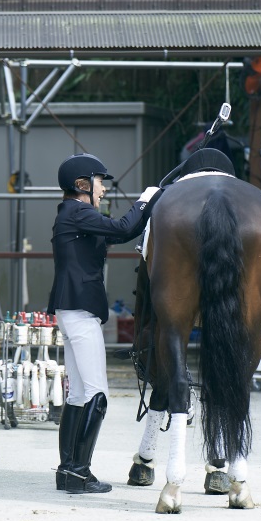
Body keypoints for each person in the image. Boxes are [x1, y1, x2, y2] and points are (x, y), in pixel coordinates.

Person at [48, 153, 160, 494]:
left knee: (79, 394)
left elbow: (123, 231)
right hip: (80, 311)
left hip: (72, 311)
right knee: (96, 394)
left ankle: (69, 472)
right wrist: (145, 199)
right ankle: (80, 472)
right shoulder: (79, 212)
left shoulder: (76, 215)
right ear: (82, 184)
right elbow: (125, 226)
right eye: (100, 182)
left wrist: (148, 207)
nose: (104, 189)